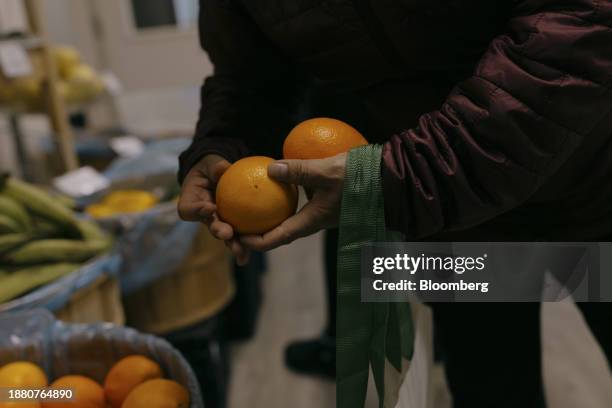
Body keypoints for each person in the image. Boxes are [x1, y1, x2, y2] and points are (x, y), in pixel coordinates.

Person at [178, 0, 612, 406]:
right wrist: (222, 145)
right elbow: (249, 73)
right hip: (449, 216)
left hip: (594, 178)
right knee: (489, 383)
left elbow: (578, 24)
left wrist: (396, 177)